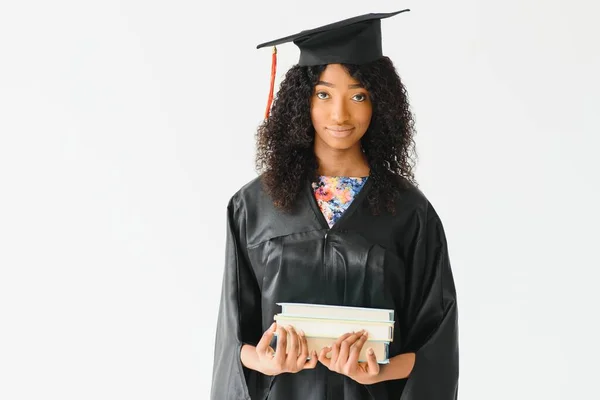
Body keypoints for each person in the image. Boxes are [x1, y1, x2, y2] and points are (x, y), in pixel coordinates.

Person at [211, 10, 459, 400]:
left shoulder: (410, 213)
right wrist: (267, 361)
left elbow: (437, 346)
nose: (340, 114)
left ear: (381, 104)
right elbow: (232, 341)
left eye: (358, 95)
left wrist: (377, 372)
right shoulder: (253, 206)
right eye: (323, 94)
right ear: (300, 102)